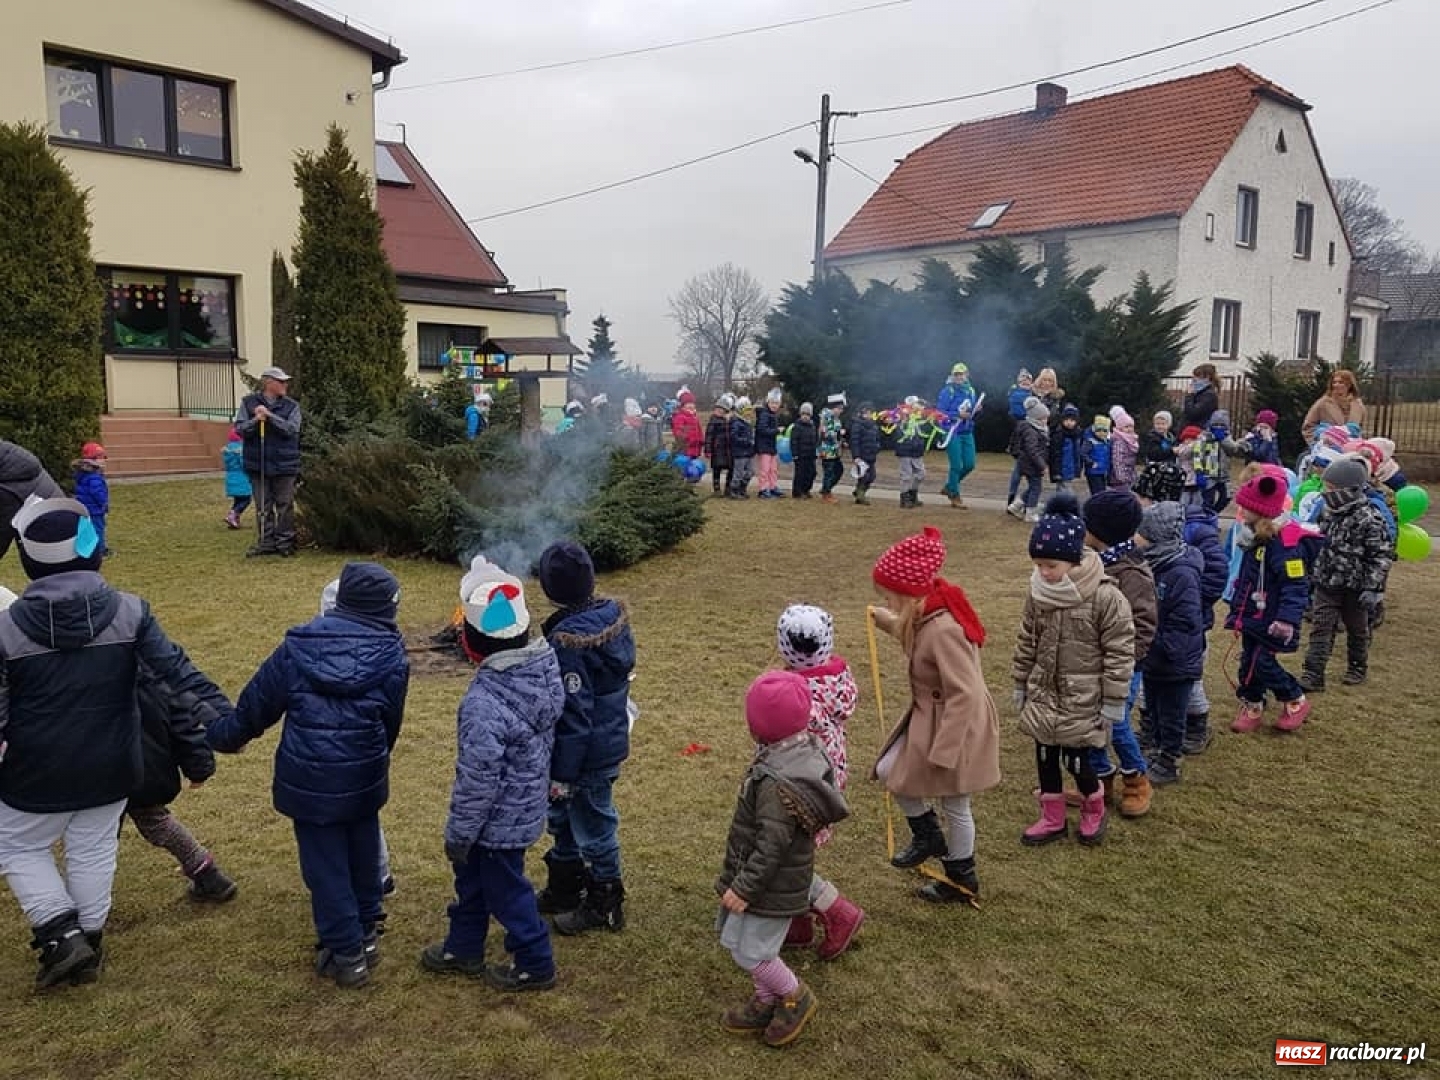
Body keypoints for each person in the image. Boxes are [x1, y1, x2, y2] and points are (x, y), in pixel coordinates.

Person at [0, 497, 229, 989]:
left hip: (33, 768)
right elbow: (175, 674)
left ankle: (62, 935)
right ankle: (87, 938)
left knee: (17, 845)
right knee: (92, 848)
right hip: (114, 763)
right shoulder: (131, 612)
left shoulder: (6, 628)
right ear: (93, 551)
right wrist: (228, 722)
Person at [208, 562, 409, 988]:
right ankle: (365, 930)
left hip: (311, 779)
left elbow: (254, 707)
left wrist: (222, 735)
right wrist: (373, 759)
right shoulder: (390, 654)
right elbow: (391, 720)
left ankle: (347, 951)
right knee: (362, 848)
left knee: (327, 866)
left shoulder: (299, 649)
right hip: (363, 774)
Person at [421, 558, 564, 991]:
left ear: (471, 645)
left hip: (494, 823)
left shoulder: (483, 703)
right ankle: (463, 945)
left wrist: (460, 834)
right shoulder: (544, 670)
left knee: (505, 890)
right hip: (524, 807)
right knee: (474, 882)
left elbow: (477, 779)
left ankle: (535, 961)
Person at [716, 670, 846, 1047]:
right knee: (747, 945)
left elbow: (772, 845)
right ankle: (766, 998)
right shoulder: (798, 750)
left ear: (758, 727)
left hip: (770, 885)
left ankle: (794, 995)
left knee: (751, 953)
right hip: (769, 880)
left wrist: (744, 887)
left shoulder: (776, 782)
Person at [871, 527, 1000, 902]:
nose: (888, 602)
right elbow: (913, 632)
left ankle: (961, 878)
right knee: (887, 770)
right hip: (931, 718)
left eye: (889, 597)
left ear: (908, 593)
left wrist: (945, 751)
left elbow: (966, 692)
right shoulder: (927, 612)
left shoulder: (944, 629)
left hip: (956, 728)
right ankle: (927, 834)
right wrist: (887, 622)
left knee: (956, 803)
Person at [1013, 494, 1134, 846]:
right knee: (1045, 758)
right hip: (1044, 693)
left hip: (1083, 698)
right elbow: (1027, 639)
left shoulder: (1105, 597)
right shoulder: (1038, 593)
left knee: (1079, 761)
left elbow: (1120, 652)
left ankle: (1093, 809)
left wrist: (1113, 701)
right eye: (1038, 565)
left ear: (1073, 559)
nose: (1043, 573)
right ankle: (1051, 818)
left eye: (1050, 565)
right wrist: (1021, 682)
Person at [533, 541, 636, 937]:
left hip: (587, 753)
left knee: (593, 823)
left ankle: (605, 900)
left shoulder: (569, 643)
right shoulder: (608, 618)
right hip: (598, 741)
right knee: (562, 818)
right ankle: (565, 884)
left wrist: (562, 773)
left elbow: (575, 714)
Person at [774, 605, 864, 956]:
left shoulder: (795, 693)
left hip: (800, 780)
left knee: (786, 850)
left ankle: (838, 911)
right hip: (828, 776)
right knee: (797, 847)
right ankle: (796, 921)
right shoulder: (838, 678)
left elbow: (779, 735)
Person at [1081, 489, 1157, 817]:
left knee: (1118, 722)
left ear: (1101, 530)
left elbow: (1143, 626)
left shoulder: (1132, 574)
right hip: (1089, 662)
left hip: (1123, 666)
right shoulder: (1090, 562)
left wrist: (1124, 662)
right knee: (1089, 722)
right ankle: (1099, 782)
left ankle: (1137, 779)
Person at [1225, 472, 1316, 734]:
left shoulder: (1285, 546)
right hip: (1254, 615)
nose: (1240, 510)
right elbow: (1248, 577)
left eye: (1246, 507)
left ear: (1260, 510)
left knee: (1263, 662)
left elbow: (1296, 585)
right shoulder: (1253, 537)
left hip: (1274, 619)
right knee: (1248, 663)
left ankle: (1294, 698)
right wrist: (1238, 605)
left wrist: (1286, 619)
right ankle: (1252, 703)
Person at [1300, 457, 1392, 690]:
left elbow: (1380, 557)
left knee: (1357, 629)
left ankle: (1357, 667)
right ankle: (1313, 674)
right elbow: (1321, 536)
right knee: (1321, 627)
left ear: (1349, 490)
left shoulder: (1370, 519)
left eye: (1331, 489)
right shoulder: (1329, 512)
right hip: (1326, 582)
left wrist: (1373, 588)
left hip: (1356, 587)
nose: (1325, 493)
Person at [1133, 502, 1204, 785]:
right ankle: (1157, 747)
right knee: (1156, 708)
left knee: (1173, 713)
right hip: (1154, 658)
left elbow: (1185, 621)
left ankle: (1170, 759)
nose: (1134, 538)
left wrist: (1164, 649)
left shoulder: (1180, 573)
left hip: (1175, 662)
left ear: (1154, 536)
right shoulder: (1153, 565)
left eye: (1140, 533)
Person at [235, 367, 302, 558]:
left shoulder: (292, 406)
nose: (285, 385)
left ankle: (285, 543)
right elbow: (239, 429)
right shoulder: (248, 403)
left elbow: (292, 430)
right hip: (259, 464)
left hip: (285, 465)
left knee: (285, 505)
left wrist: (270, 417)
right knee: (263, 506)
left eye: (285, 381)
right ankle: (266, 542)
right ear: (268, 383)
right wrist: (256, 419)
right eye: (281, 382)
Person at [0, 439, 62, 561]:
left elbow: (1, 534)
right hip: (55, 531)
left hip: (57, 544)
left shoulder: (9, 488)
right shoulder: (9, 460)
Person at [936, 362, 979, 508]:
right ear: (952, 376)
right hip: (951, 431)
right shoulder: (947, 391)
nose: (959, 377)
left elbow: (970, 412)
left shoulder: (971, 391)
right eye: (956, 374)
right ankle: (954, 495)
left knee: (969, 464)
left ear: (967, 375)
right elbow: (940, 413)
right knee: (956, 465)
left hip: (966, 431)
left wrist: (977, 410)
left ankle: (949, 486)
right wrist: (957, 415)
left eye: (962, 374)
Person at [1006, 396, 1049, 523]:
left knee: (1033, 487)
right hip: (1031, 464)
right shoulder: (1032, 431)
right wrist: (1042, 465)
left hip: (1028, 463)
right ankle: (1030, 512)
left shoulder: (1033, 429)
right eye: (1044, 418)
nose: (1046, 421)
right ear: (1036, 418)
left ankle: (1016, 505)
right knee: (1036, 488)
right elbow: (1032, 451)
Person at [1301, 369, 1366, 445]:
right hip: (1327, 447)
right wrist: (1317, 442)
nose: (1336, 385)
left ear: (1349, 384)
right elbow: (1308, 426)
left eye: (1340, 382)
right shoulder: (1323, 403)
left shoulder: (1358, 404)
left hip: (1351, 448)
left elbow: (1360, 428)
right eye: (1334, 382)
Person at [72, 442, 110, 555]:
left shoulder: (83, 474)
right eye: (101, 457)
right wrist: (104, 504)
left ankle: (87, 549)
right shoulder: (95, 477)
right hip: (95, 510)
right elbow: (98, 493)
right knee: (98, 529)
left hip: (85, 508)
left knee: (86, 530)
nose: (104, 460)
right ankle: (99, 550)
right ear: (93, 459)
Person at [1005, 367, 1036, 505]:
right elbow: (1020, 413)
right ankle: (1013, 497)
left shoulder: (1033, 394)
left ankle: (1017, 497)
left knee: (1022, 467)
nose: (1026, 382)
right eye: (1023, 380)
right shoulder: (1016, 395)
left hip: (1030, 432)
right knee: (1019, 467)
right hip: (1021, 435)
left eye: (1028, 380)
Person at [892, 396, 930, 509]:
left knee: (921, 474)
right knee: (906, 475)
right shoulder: (902, 416)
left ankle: (913, 494)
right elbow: (897, 427)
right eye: (916, 404)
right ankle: (904, 498)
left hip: (917, 450)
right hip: (905, 450)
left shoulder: (920, 419)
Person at [1048, 405, 1084, 498]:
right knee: (1066, 490)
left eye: (1072, 420)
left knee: (1062, 490)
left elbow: (1077, 454)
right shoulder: (1059, 434)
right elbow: (1055, 454)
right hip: (1061, 469)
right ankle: (1066, 506)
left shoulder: (1077, 434)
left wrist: (1078, 468)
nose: (1069, 423)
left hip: (1070, 468)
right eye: (1067, 420)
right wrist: (1056, 472)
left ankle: (1060, 507)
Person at [754, 388, 784, 499]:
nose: (774, 405)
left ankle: (772, 487)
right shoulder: (764, 414)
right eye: (772, 403)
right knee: (765, 469)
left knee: (773, 469)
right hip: (764, 447)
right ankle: (763, 489)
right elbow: (762, 430)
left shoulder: (773, 415)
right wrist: (776, 431)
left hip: (771, 447)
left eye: (777, 403)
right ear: (768, 402)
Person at [848, 402, 879, 506]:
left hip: (871, 456)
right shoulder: (857, 426)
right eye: (866, 413)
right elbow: (854, 441)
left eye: (870, 413)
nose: (868, 415)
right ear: (861, 413)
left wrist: (877, 447)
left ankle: (858, 491)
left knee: (872, 476)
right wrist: (856, 456)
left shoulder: (874, 426)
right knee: (864, 477)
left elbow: (877, 439)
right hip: (861, 457)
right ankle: (860, 497)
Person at [818, 393, 847, 503]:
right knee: (829, 472)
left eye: (842, 409)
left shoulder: (837, 420)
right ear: (833, 408)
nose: (841, 411)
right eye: (839, 408)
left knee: (839, 470)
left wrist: (842, 441)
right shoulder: (826, 417)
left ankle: (826, 488)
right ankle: (826, 493)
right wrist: (838, 433)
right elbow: (825, 434)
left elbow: (837, 434)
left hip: (835, 450)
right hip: (827, 450)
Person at [222, 428, 252, 529]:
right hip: (242, 478)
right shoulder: (241, 449)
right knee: (246, 499)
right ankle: (233, 514)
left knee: (238, 500)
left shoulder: (227, 450)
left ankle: (234, 519)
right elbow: (244, 464)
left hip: (231, 477)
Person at [705, 395, 734, 497]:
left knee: (731, 468)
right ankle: (716, 489)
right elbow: (708, 436)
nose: (719, 411)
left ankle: (728, 488)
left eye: (722, 409)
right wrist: (708, 449)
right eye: (717, 408)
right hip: (717, 450)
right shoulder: (713, 421)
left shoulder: (730, 421)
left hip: (728, 450)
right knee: (716, 469)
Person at [728, 397, 756, 499]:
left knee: (750, 472)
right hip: (739, 453)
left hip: (748, 452)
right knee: (738, 473)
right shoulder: (737, 423)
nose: (749, 413)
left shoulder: (748, 423)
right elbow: (734, 437)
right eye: (746, 411)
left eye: (750, 411)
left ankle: (742, 489)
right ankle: (734, 491)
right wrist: (746, 441)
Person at [789, 403, 818, 499]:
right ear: (800, 414)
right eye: (803, 414)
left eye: (807, 414)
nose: (805, 416)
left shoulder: (812, 426)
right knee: (800, 474)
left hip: (810, 455)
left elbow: (815, 440)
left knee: (812, 473)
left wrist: (815, 452)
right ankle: (797, 492)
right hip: (800, 455)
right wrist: (795, 454)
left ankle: (806, 490)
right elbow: (793, 441)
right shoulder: (796, 427)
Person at [1108, 408, 1140, 490]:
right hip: (1120, 478)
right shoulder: (1119, 442)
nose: (1129, 429)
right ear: (1120, 428)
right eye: (1126, 427)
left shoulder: (1131, 439)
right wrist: (1121, 477)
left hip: (1129, 475)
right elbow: (1117, 460)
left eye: (1131, 426)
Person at [1182, 363, 1221, 429]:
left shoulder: (1209, 395)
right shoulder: (1200, 393)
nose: (1194, 380)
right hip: (1193, 429)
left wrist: (1189, 396)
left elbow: (1192, 413)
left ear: (1207, 377)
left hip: (1198, 431)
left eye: (1197, 376)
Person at [1082, 415, 1112, 497]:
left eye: (1105, 430)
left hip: (1103, 471)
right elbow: (1083, 453)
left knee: (1103, 492)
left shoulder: (1108, 441)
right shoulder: (1090, 441)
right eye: (1099, 430)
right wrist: (1091, 463)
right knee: (1097, 493)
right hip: (1093, 472)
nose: (1101, 433)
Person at [671, 389, 705, 460]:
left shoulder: (694, 417)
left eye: (692, 403)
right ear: (683, 405)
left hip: (695, 448)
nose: (691, 405)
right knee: (686, 467)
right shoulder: (680, 417)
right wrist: (688, 440)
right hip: (686, 449)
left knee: (693, 467)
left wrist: (701, 440)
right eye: (688, 403)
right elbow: (678, 432)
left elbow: (699, 430)